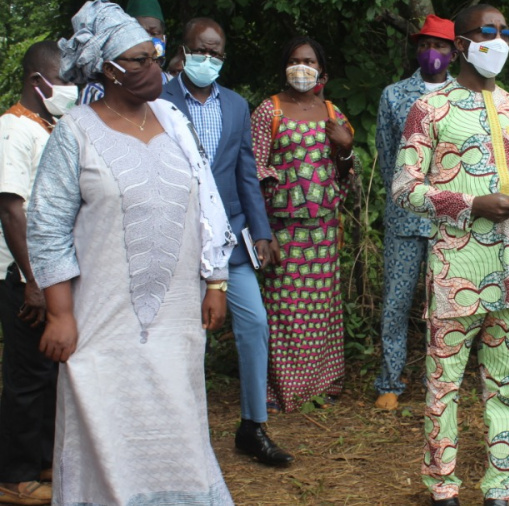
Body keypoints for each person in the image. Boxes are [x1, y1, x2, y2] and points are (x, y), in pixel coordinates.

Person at [26, 1, 235, 503]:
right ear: (107, 69)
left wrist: (216, 279)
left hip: (177, 318)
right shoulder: (76, 131)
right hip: (101, 319)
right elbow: (47, 226)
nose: (152, 70)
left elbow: (207, 201)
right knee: (106, 418)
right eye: (137, 61)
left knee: (178, 422)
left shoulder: (173, 122)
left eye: (154, 58)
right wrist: (59, 313)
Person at [392, 5, 509, 505]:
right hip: (457, 271)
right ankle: (442, 488)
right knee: (444, 386)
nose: (498, 41)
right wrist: (470, 203)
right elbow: (404, 188)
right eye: (487, 32)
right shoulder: (431, 109)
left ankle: (499, 489)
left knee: (505, 385)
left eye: (504, 32)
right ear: (461, 43)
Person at [161, 17, 293, 467]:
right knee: (181, 334)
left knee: (254, 323)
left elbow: (245, 173)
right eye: (201, 51)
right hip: (175, 240)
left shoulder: (235, 106)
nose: (209, 59)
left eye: (216, 53)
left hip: (229, 240)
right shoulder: (157, 100)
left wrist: (260, 231)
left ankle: (252, 427)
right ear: (183, 51)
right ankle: (178, 430)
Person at [250, 36, 355, 414]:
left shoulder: (332, 112)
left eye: (309, 61)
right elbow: (255, 171)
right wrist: (262, 233)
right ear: (284, 67)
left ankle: (321, 385)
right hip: (283, 230)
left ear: (321, 71)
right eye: (294, 60)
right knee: (282, 313)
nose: (301, 67)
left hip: (323, 231)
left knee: (321, 310)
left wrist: (344, 147)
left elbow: (346, 174)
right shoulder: (269, 111)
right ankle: (279, 390)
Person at [0, 40, 75, 506]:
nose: (70, 89)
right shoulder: (12, 130)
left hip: (45, 276)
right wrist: (32, 280)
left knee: (48, 372)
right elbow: (12, 209)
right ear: (37, 81)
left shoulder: (46, 128)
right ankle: (14, 476)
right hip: (22, 276)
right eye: (63, 80)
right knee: (27, 375)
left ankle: (42, 458)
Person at [374, 14, 456, 411]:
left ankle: (438, 383)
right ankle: (389, 382)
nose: (431, 52)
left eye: (439, 45)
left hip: (448, 220)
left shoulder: (465, 96)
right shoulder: (393, 95)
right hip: (405, 219)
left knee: (444, 306)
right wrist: (400, 201)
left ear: (454, 52)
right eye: (424, 44)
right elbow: (388, 155)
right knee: (396, 302)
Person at [77, 0, 169, 105]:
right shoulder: (97, 91)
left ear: (164, 38)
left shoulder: (173, 84)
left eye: (154, 33)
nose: (147, 38)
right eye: (140, 32)